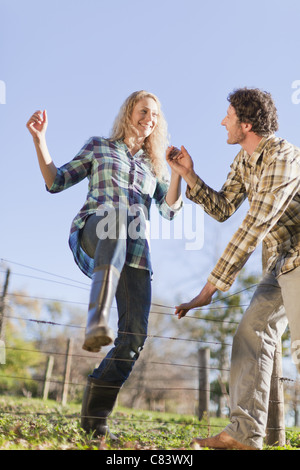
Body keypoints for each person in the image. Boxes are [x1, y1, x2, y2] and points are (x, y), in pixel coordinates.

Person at [26, 90, 182, 439]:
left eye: (155, 115)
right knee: (115, 217)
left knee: (133, 340)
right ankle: (96, 319)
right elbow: (56, 180)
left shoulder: (152, 166)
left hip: (136, 252)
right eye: (144, 111)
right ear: (129, 112)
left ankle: (94, 424)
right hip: (96, 230)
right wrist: (40, 140)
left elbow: (170, 211)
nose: (150, 119)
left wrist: (177, 173)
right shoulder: (99, 147)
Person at [168, 87, 300, 450]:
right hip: (281, 261)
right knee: (253, 335)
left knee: (282, 342)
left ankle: (247, 435)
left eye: (227, 116)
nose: (221, 121)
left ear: (246, 123)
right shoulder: (245, 160)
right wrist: (189, 175)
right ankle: (252, 436)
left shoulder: (284, 157)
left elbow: (254, 225)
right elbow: (225, 207)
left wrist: (209, 289)